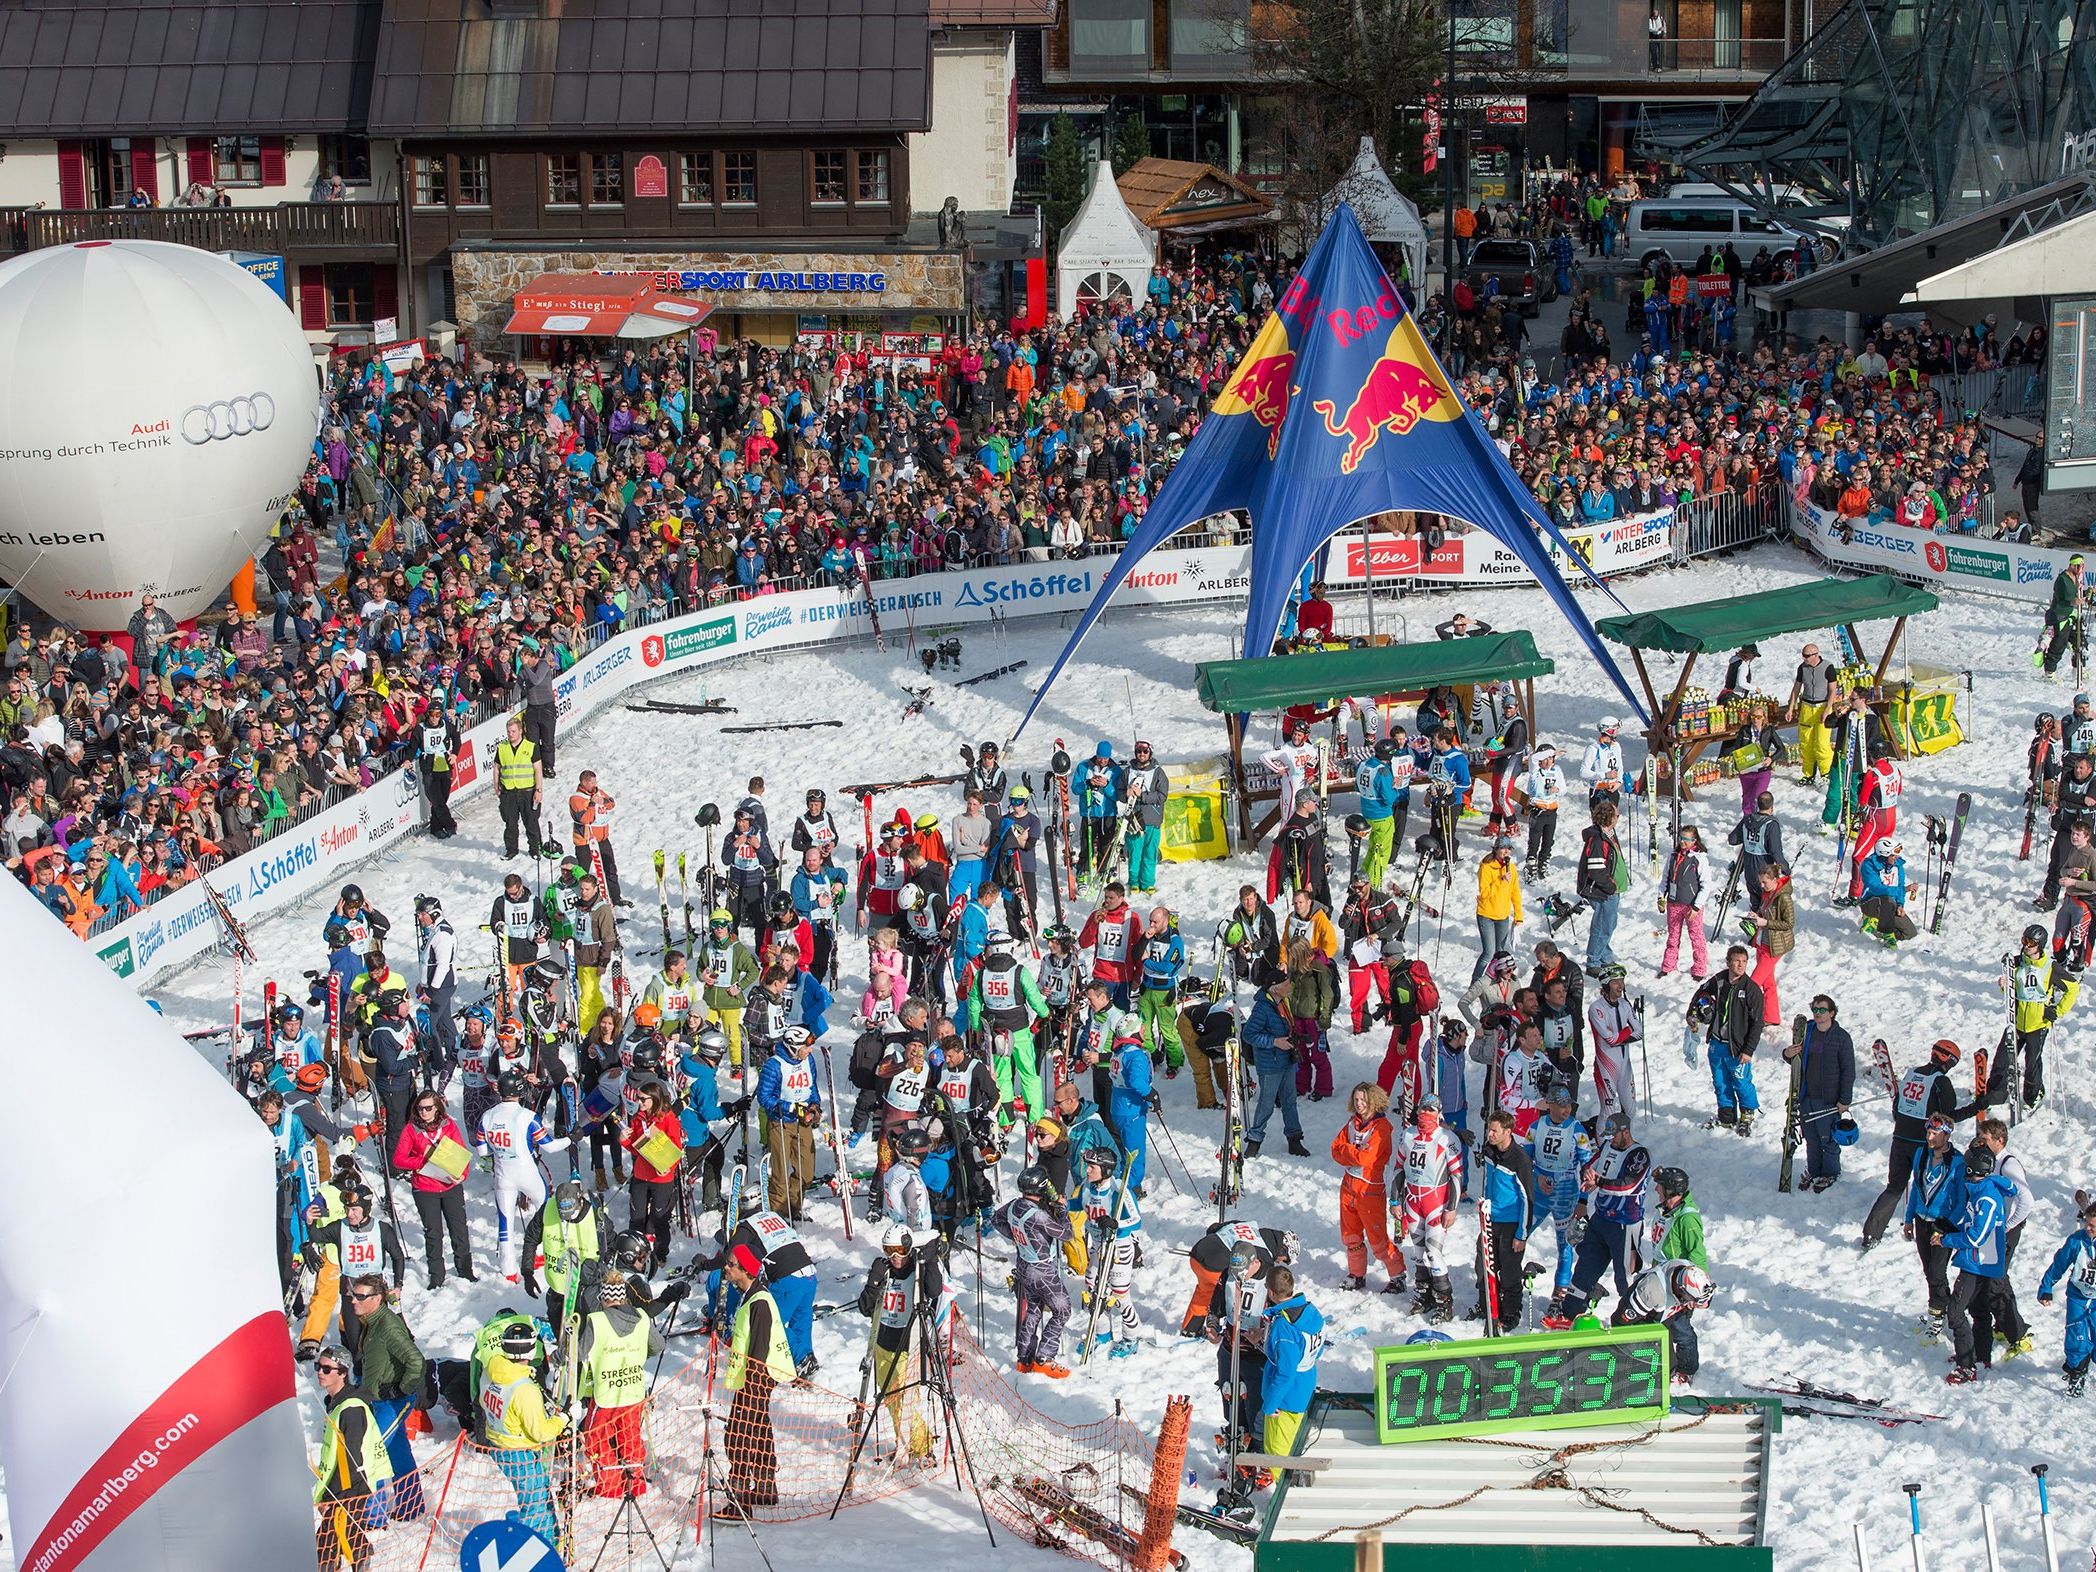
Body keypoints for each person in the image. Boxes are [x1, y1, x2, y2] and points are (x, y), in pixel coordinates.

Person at [1863, 1038, 1975, 1250]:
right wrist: (1977, 1107)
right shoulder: (1941, 1082)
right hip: (1923, 1144)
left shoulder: (1911, 1073)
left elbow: (1897, 1107)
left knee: (1894, 1187)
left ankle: (1871, 1233)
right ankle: (1928, 1233)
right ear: (1950, 1061)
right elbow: (1948, 1118)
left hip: (1900, 1139)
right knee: (1927, 1188)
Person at [1549, 1111, 1648, 1327]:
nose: (1610, 1140)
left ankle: (1634, 1321)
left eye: (1614, 1136)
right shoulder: (1606, 1147)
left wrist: (1600, 1182)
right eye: (1608, 1136)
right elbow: (1589, 1168)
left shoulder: (1638, 1155)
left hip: (1625, 1224)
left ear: (1626, 1132)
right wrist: (1585, 1189)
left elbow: (1627, 1185)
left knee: (1624, 1277)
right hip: (1601, 1220)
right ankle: (1571, 1312)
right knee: (1586, 1264)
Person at [577, 1270, 664, 1497]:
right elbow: (658, 1346)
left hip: (606, 1394)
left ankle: (610, 1486)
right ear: (624, 1298)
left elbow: (577, 1353)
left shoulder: (597, 1321)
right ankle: (635, 1483)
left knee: (597, 1437)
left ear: (604, 1299)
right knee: (630, 1436)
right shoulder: (642, 1317)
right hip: (634, 1392)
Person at [349, 1273, 428, 1522]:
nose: (353, 1300)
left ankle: (373, 1516)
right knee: (396, 1451)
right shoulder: (372, 1322)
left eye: (360, 1296)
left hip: (392, 1401)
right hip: (378, 1398)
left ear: (378, 1298)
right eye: (354, 1294)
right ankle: (411, 1506)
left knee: (371, 1452)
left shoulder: (387, 1326)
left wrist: (400, 1389)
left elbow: (416, 1361)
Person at [719, 1244, 791, 1512]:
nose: (727, 1268)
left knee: (737, 1434)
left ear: (746, 1270)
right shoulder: (751, 1295)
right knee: (759, 1430)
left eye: (732, 1264)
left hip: (757, 1376)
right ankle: (764, 1487)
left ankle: (737, 1498)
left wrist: (751, 1381)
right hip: (756, 1376)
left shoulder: (759, 1301)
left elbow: (759, 1346)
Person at [481, 1319, 567, 1541]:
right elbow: (540, 1432)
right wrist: (563, 1419)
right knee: (535, 1504)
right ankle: (534, 1548)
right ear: (532, 1348)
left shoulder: (491, 1370)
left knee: (535, 1496)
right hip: (519, 1451)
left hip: (499, 1443)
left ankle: (548, 1539)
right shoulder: (524, 1389)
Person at [856, 1225, 942, 1446]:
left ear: (908, 1248)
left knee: (903, 1403)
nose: (894, 1257)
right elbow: (866, 1309)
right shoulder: (884, 1270)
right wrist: (872, 1283)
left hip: (908, 1346)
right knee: (890, 1400)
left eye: (899, 1251)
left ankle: (922, 1446)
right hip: (883, 1343)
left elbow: (934, 1291)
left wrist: (931, 1261)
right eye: (888, 1250)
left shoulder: (917, 1270)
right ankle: (905, 1442)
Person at [311, 1346, 392, 1569]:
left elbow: (351, 1460)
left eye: (327, 1369)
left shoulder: (351, 1409)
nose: (320, 1372)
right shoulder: (338, 1403)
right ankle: (361, 1551)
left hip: (349, 1488)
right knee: (341, 1536)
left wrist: (332, 1497)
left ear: (343, 1372)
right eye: (318, 1366)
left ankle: (361, 1553)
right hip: (345, 1488)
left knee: (326, 1545)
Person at [993, 1166, 1074, 1377]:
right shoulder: (1038, 1216)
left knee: (1034, 1310)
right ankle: (1045, 1357)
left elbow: (996, 1219)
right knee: (1062, 1310)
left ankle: (1024, 1357)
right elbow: (1066, 1234)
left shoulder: (1014, 1206)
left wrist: (1016, 1238)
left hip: (1024, 1264)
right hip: (1042, 1269)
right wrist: (1063, 1210)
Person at [1942, 1141, 2012, 1384]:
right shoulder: (1981, 1191)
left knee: (1956, 1311)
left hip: (1978, 1262)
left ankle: (1967, 1366)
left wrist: (1946, 1240)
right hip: (1980, 1262)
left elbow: (1976, 1237)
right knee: (1979, 1310)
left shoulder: (1987, 1199)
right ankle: (1980, 1356)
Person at [1527, 1080, 1594, 1321]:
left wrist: (1583, 1200)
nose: (1566, 1110)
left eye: (1569, 1106)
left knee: (1565, 1245)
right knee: (1521, 1233)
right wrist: (1538, 1175)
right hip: (1540, 1190)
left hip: (1566, 1191)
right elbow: (1526, 1159)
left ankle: (1559, 1296)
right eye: (1562, 1106)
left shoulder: (1577, 1130)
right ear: (1550, 1106)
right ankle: (1510, 1282)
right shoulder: (1536, 1127)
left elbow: (1588, 1167)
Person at [1397, 1095, 1464, 1323]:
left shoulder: (1447, 1138)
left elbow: (1456, 1174)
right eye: (1422, 1109)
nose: (1425, 1113)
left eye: (1431, 1110)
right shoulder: (1407, 1135)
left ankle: (1444, 1302)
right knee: (1417, 1253)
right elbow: (1398, 1168)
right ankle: (1423, 1294)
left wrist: (1452, 1208)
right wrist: (1395, 1201)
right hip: (1413, 1200)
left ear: (1438, 1113)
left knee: (1433, 1253)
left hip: (1436, 1202)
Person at [1331, 1082, 1402, 1293]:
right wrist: (1353, 1149)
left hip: (1370, 1189)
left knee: (1377, 1238)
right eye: (1356, 1100)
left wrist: (1349, 1152)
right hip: (1348, 1186)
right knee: (1350, 1235)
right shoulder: (1352, 1124)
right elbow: (1335, 1150)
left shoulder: (1381, 1128)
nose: (1359, 1104)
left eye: (1363, 1100)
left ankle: (1397, 1275)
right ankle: (1357, 1274)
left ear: (1373, 1101)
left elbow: (1366, 1158)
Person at [1903, 1114, 1968, 1343]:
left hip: (1943, 1224)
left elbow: (1961, 1200)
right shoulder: (1921, 1154)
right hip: (1922, 1221)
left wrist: (1946, 1226)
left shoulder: (1957, 1162)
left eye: (1935, 1134)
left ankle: (1937, 1317)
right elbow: (1915, 1188)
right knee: (1929, 1271)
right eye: (1928, 1132)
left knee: (1937, 1271)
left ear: (1947, 1134)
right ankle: (1945, 1311)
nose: (1930, 1137)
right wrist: (1908, 1219)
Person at [1075, 1144, 1144, 1355]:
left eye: (1092, 1167)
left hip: (1118, 1248)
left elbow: (1136, 1220)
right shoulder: (1088, 1186)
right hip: (1097, 1246)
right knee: (1093, 1291)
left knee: (1120, 1296)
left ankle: (1131, 1338)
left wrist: (1115, 1223)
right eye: (1087, 1166)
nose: (1087, 1170)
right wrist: (1060, 1205)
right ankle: (1103, 1333)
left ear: (1105, 1170)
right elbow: (1078, 1204)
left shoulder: (1119, 1190)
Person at [1688, 947, 1765, 1132]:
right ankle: (1726, 1115)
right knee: (1720, 1082)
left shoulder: (1752, 989)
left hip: (1737, 1048)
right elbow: (1700, 993)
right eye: (1737, 961)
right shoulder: (1719, 980)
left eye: (1744, 962)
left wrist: (1748, 1050)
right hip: (1716, 1043)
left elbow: (1757, 1023)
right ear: (1728, 962)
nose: (1741, 965)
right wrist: (1692, 1014)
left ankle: (1747, 1113)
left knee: (1742, 1082)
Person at [1786, 995, 1855, 1191]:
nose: (1817, 1013)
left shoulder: (1841, 1037)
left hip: (1829, 1099)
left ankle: (1831, 1172)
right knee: (1811, 1138)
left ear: (1832, 1012)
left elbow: (1848, 1071)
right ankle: (1814, 1170)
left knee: (1828, 1138)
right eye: (1815, 1009)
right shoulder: (1807, 1032)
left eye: (1822, 1010)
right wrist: (1787, 1054)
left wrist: (1845, 1099)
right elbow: (1796, 1060)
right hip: (1807, 1095)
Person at [1474, 1111, 1534, 1331]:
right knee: (1484, 1264)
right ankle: (1487, 1305)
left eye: (1494, 1131)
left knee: (1509, 1270)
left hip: (1510, 1222)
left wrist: (1522, 1234)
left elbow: (1528, 1199)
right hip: (1489, 1218)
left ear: (1508, 1132)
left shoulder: (1520, 1159)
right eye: (1489, 1129)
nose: (1489, 1134)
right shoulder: (1489, 1150)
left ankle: (1511, 1311)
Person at [757, 1023, 823, 1218]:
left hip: (803, 1122)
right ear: (794, 1047)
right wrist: (789, 1107)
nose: (810, 1050)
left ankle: (793, 1207)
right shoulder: (774, 1065)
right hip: (781, 1122)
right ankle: (777, 1213)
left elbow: (812, 1087)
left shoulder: (808, 1060)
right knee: (780, 1175)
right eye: (806, 1047)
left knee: (806, 1173)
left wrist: (815, 1105)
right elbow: (764, 1097)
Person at [1259, 1266, 1324, 1457]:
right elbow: (1315, 1348)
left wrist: (1270, 1405)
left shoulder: (1284, 1326)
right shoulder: (1311, 1311)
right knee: (1295, 1447)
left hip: (1285, 1399)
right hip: (1305, 1386)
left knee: (1277, 1453)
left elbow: (1285, 1373)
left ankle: (1283, 1486)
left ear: (1270, 1291)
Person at [2037, 1195, 2096, 1397]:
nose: (2088, 1229)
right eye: (2088, 1224)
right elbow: (2058, 1265)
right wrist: (2046, 1287)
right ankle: (2077, 1373)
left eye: (2094, 1226)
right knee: (2076, 1337)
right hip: (2078, 1296)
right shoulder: (2076, 1241)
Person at [1242, 978, 1308, 1159]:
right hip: (1270, 1064)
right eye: (1286, 983)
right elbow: (1249, 1034)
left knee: (1290, 1101)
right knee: (1266, 1104)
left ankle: (1294, 1139)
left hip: (1286, 1060)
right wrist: (1275, 1042)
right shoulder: (1262, 1008)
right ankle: (1254, 1142)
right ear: (1275, 987)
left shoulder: (1282, 1002)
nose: (1290, 986)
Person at [1574, 799, 1626, 973]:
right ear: (1608, 817)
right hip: (1603, 890)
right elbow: (1596, 870)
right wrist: (1610, 886)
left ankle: (1605, 956)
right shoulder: (1598, 839)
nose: (1618, 817)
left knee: (1609, 924)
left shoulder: (1608, 834)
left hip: (1611, 890)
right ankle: (1594, 961)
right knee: (1603, 925)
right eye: (1616, 815)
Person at [1741, 861, 1793, 1026]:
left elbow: (1789, 924)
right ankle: (1771, 1016)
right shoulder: (1767, 893)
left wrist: (1765, 922)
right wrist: (1755, 916)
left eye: (1765, 882)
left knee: (1754, 983)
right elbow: (1765, 913)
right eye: (1761, 882)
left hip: (1774, 946)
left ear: (1775, 879)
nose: (1762, 886)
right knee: (1768, 982)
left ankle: (1747, 1015)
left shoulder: (1784, 897)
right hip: (1762, 943)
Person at [1657, 825, 1710, 979]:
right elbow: (1665, 878)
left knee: (1696, 936)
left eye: (1686, 839)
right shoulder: (1673, 856)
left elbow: (1706, 886)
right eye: (1681, 838)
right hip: (1674, 902)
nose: (1683, 842)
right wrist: (1661, 896)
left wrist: (1696, 906)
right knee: (1673, 935)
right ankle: (1668, 965)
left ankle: (1700, 968)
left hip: (1691, 904)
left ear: (1694, 840)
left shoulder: (1699, 859)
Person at [493, 714, 546, 860]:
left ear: (520, 731)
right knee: (510, 823)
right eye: (509, 731)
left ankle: (534, 849)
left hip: (527, 792)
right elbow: (497, 767)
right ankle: (511, 849)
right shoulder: (502, 748)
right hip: (508, 792)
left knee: (531, 822)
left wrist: (539, 790)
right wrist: (496, 785)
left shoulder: (530, 747)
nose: (510, 734)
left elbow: (538, 769)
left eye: (513, 731)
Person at [1473, 836, 1523, 983]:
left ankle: (1495, 979)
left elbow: (1515, 892)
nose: (1506, 852)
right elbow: (1485, 893)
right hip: (1486, 914)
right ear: (1496, 850)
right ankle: (1475, 982)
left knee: (1499, 952)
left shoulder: (1511, 868)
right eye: (1503, 848)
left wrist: (1518, 914)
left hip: (1503, 915)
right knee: (1488, 953)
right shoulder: (1486, 867)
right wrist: (1501, 881)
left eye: (1508, 849)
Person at [1786, 643, 1835, 785]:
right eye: (1803, 655)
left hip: (1822, 706)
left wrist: (1827, 709)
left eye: (1807, 656)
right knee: (1806, 742)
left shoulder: (1828, 667)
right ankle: (1808, 774)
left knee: (1822, 743)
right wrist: (1790, 707)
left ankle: (1826, 773)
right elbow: (1796, 688)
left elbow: (1832, 690)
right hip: (1807, 707)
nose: (1804, 658)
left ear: (1816, 654)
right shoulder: (1802, 668)